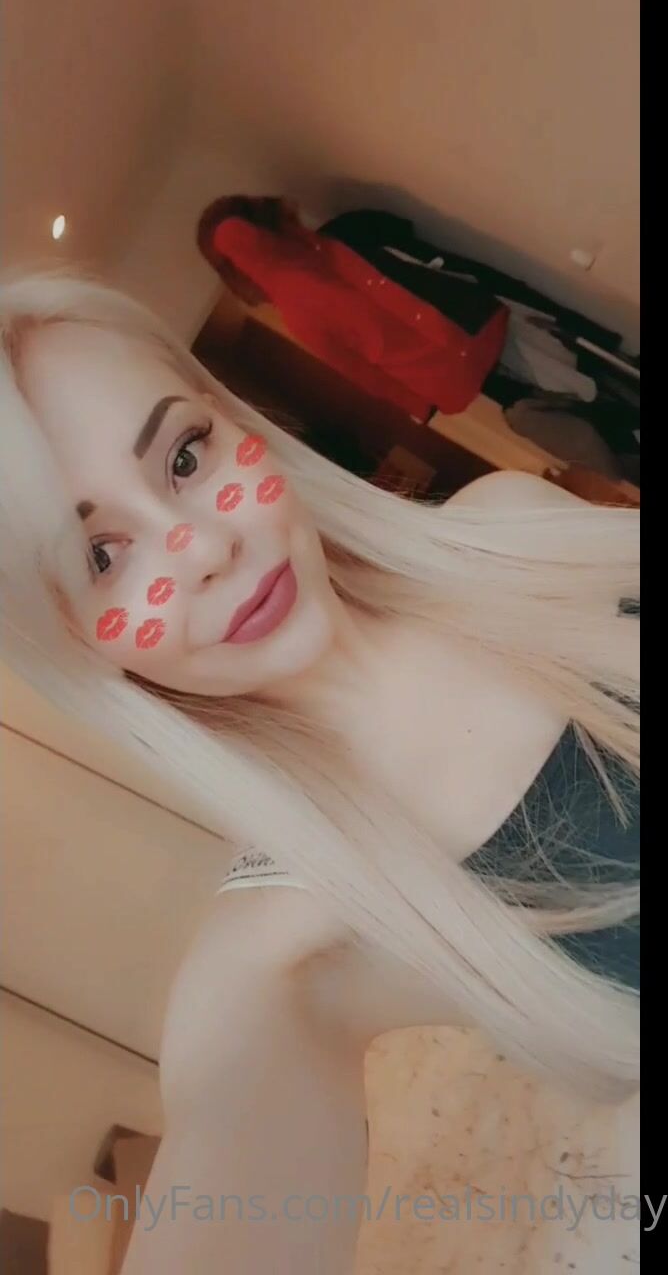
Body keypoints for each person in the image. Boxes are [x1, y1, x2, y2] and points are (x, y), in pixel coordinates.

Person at [0, 269, 639, 1273]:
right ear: (74, 641)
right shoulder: (280, 951)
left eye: (183, 455)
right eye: (102, 555)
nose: (204, 547)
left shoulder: (516, 529)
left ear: (235, 422)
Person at [197, 195, 509, 420]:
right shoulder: (300, 315)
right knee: (526, 409)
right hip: (456, 372)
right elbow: (363, 375)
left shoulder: (341, 235)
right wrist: (420, 405)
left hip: (480, 321)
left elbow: (415, 245)